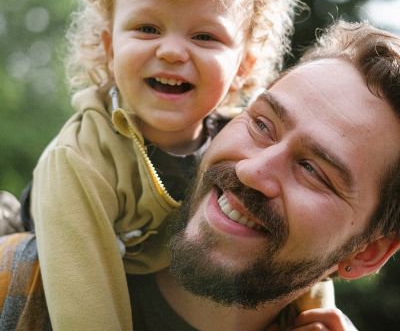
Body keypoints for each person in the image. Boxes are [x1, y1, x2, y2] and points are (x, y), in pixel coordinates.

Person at [2, 19, 396, 330]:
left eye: (313, 170)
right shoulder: (13, 289)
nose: (251, 170)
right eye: (262, 124)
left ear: (367, 253)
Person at [2, 0, 306, 330]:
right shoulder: (80, 158)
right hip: (50, 268)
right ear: (110, 49)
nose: (172, 51)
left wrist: (315, 311)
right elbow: (86, 313)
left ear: (243, 65)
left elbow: (298, 239)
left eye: (204, 36)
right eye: (147, 28)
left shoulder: (242, 149)